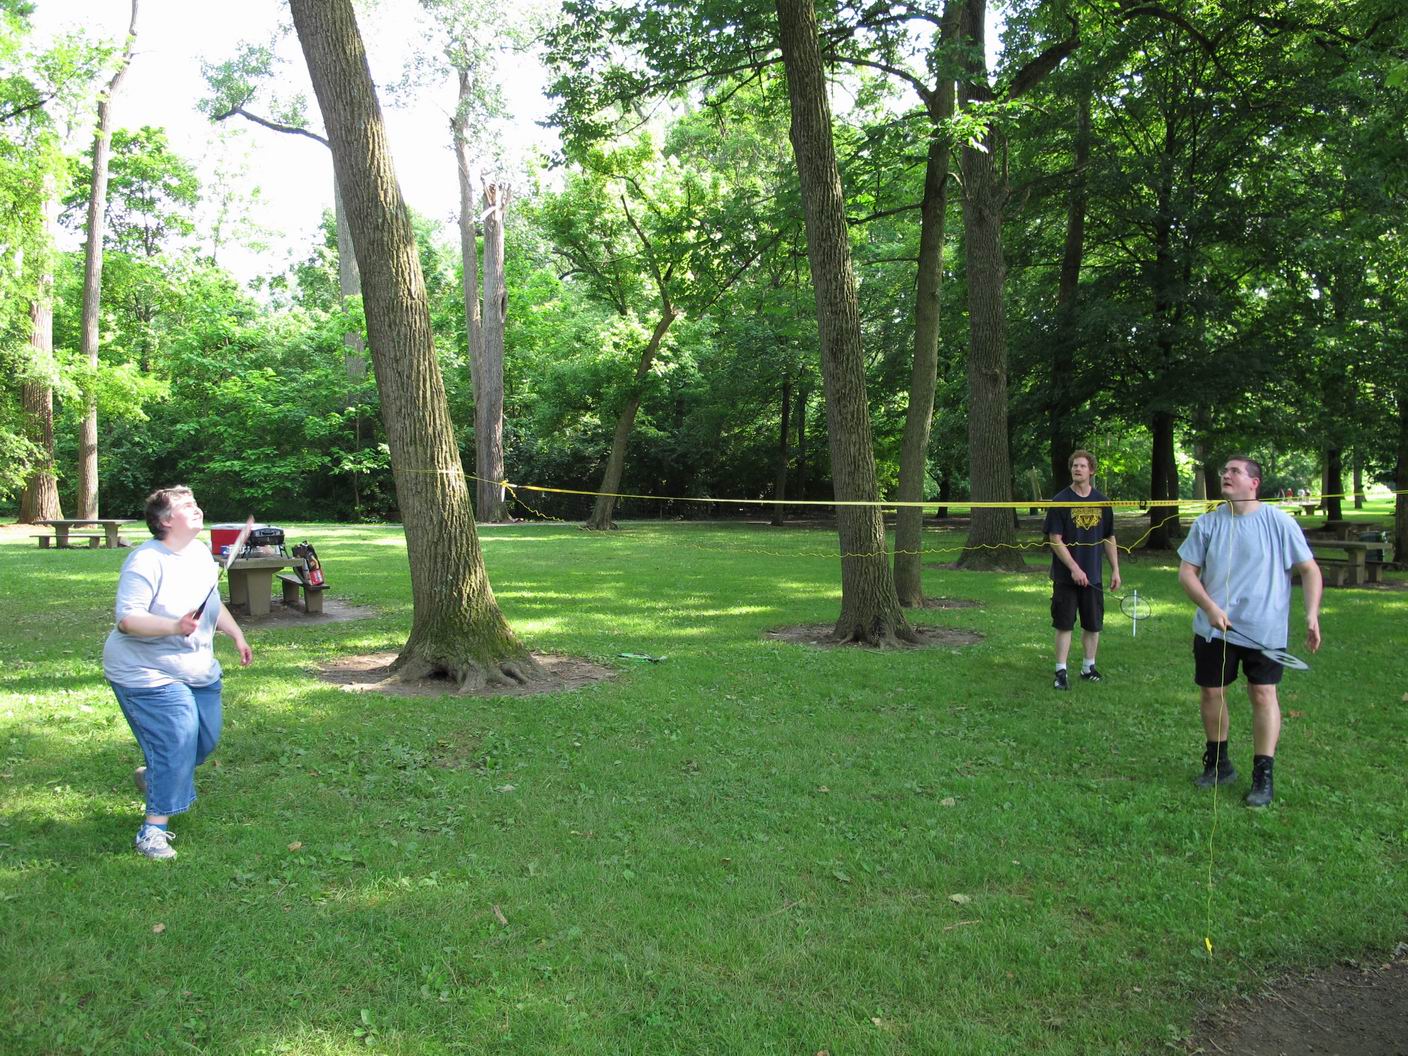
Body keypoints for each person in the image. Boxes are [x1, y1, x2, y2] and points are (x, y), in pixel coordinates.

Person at [103, 486, 252, 859]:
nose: (196, 508)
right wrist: (173, 626)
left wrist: (235, 634)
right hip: (145, 671)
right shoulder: (146, 560)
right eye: (186, 505)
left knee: (204, 740)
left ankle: (156, 776)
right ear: (165, 520)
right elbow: (127, 620)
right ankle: (152, 832)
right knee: (177, 739)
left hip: (196, 669)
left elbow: (210, 602)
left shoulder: (199, 554)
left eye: (196, 502)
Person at [1177, 456, 1322, 807]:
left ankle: (1263, 774)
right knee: (1212, 693)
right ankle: (1218, 764)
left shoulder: (1279, 522)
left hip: (1264, 629)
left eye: (1235, 471)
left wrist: (1311, 615)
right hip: (1215, 629)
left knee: (1263, 694)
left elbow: (1309, 570)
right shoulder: (1207, 523)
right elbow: (1186, 573)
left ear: (1254, 483)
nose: (1226, 475)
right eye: (1224, 471)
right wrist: (1210, 608)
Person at [1044, 449, 1120, 691]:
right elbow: (1055, 539)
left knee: (1093, 624)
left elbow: (1109, 537)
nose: (1077, 469)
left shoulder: (1102, 502)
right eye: (1074, 465)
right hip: (1066, 577)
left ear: (1091, 471)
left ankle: (1088, 668)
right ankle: (1061, 672)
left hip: (1093, 576)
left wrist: (1115, 570)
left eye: (1082, 466)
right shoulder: (1060, 501)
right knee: (1064, 624)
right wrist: (1074, 568)